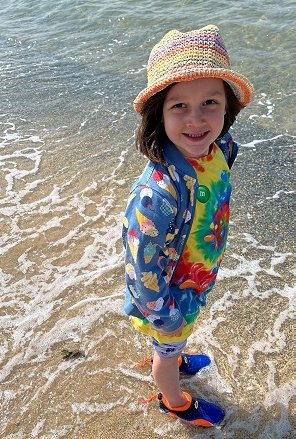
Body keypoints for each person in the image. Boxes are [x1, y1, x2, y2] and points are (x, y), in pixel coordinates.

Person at [122, 24, 253, 427]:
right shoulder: (156, 196)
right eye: (178, 106)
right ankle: (173, 398)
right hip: (167, 297)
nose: (197, 120)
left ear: (227, 107)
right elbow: (141, 269)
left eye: (210, 102)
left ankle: (172, 354)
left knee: (171, 344)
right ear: (157, 114)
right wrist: (165, 316)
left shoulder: (221, 148)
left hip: (194, 276)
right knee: (166, 350)